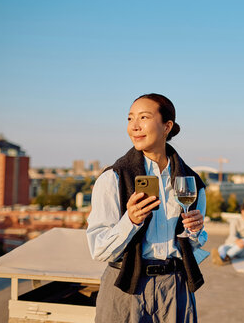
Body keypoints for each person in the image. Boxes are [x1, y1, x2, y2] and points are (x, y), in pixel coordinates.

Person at [86, 93, 207, 323]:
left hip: (175, 287)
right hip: (126, 285)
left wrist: (193, 231)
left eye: (143, 117)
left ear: (166, 126)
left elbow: (190, 245)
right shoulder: (113, 178)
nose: (135, 126)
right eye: (130, 119)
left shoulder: (191, 182)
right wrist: (130, 221)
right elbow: (98, 250)